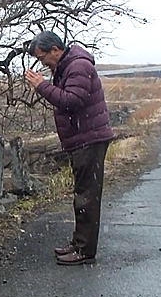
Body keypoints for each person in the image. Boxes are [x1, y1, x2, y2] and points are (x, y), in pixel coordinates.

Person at [24, 31, 114, 266]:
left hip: (89, 139)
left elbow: (72, 101)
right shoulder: (68, 66)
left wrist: (42, 86)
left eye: (44, 58)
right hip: (83, 138)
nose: (43, 63)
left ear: (55, 49)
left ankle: (85, 250)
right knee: (82, 194)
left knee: (87, 196)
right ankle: (79, 243)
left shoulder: (78, 67)